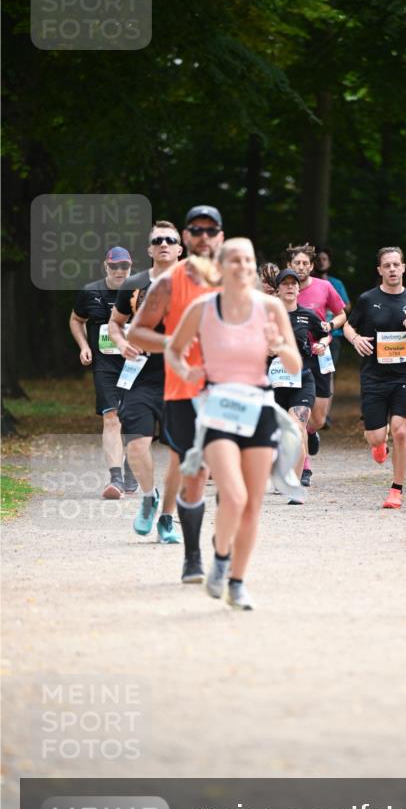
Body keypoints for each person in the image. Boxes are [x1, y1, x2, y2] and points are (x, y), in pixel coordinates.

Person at [165, 238, 301, 608]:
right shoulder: (203, 307)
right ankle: (221, 558)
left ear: (254, 267)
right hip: (218, 408)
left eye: (248, 260)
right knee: (234, 495)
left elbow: (294, 366)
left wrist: (280, 345)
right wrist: (186, 371)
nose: (241, 266)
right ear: (222, 267)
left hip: (257, 406)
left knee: (253, 504)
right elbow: (173, 350)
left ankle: (236, 581)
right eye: (234, 260)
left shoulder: (271, 306)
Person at [128, 205, 224, 581]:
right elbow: (137, 332)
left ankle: (224, 554)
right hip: (183, 390)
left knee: (230, 474)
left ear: (219, 235)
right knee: (195, 472)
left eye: (210, 230)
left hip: (228, 390)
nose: (203, 236)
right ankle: (193, 557)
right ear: (186, 237)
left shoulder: (235, 275)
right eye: (195, 230)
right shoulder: (169, 283)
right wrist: (174, 341)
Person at [344, 246, 406, 509]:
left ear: (404, 268)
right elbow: (349, 325)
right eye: (387, 265)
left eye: (397, 264)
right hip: (374, 375)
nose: (393, 269)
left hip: (405, 375)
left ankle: (396, 490)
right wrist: (356, 340)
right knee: (376, 436)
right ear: (380, 270)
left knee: (400, 430)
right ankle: (378, 445)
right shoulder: (367, 299)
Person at [107, 221, 183, 542]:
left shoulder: (197, 283)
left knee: (181, 453)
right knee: (136, 443)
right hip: (143, 375)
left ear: (181, 248)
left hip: (183, 376)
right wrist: (122, 344)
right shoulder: (135, 284)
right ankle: (148, 497)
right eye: (157, 240)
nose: (164, 244)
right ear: (150, 249)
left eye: (170, 240)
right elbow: (115, 323)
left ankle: (167, 517)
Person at [69, 246, 135, 499]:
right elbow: (76, 319)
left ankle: (131, 466)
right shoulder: (91, 292)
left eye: (124, 266)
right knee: (111, 418)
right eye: (114, 266)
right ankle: (116, 479)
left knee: (139, 419)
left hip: (137, 365)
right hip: (105, 365)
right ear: (105, 267)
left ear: (130, 268)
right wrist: (84, 346)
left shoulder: (140, 291)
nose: (120, 271)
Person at [286, 242, 346, 486]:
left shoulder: (324, 287)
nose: (301, 267)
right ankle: (305, 468)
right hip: (293, 358)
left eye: (305, 263)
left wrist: (330, 327)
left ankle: (312, 433)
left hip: (320, 353)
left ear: (312, 266)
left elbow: (342, 313)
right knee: (299, 416)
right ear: (289, 265)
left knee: (318, 418)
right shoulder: (284, 289)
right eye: (296, 263)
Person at [271, 268, 330, 498]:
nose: (289, 287)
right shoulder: (268, 317)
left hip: (302, 378)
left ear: (298, 288)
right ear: (277, 290)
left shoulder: (307, 315)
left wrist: (322, 344)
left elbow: (323, 334)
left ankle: (295, 484)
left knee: (297, 428)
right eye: (284, 283)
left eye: (293, 283)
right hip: (275, 382)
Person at [314, 246, 351, 426]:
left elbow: (347, 307)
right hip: (311, 335)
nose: (321, 262)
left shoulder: (336, 284)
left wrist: (330, 308)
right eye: (318, 259)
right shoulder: (308, 283)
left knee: (327, 373)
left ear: (329, 262)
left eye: (324, 259)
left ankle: (325, 415)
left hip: (333, 335)